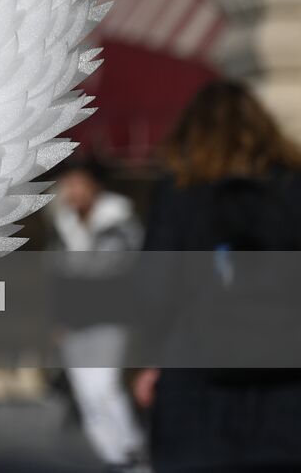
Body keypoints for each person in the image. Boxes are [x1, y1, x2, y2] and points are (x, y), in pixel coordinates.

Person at [133, 80, 301, 472]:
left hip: (196, 393)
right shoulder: (294, 188)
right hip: (287, 397)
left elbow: (153, 292)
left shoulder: (180, 192)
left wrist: (151, 362)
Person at [48, 156, 147, 472]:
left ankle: (130, 451)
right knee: (86, 393)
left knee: (105, 388)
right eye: (68, 185)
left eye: (78, 183)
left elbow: (109, 272)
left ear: (95, 185)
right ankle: (110, 456)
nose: (72, 191)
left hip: (110, 321)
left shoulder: (119, 223)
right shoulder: (64, 225)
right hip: (74, 325)